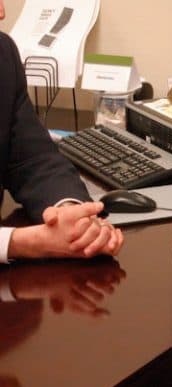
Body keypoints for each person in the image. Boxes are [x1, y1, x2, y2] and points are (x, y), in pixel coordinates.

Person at [1, 3, 123, 262]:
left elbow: (34, 161)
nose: (2, 12)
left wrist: (71, 215)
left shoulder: (3, 55)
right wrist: (21, 243)